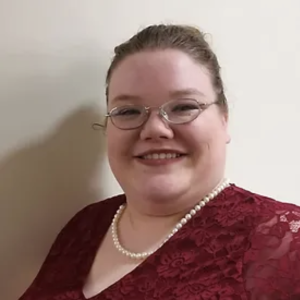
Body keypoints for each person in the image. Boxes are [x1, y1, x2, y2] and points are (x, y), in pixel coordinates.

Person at [19, 24, 300, 300]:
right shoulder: (85, 227)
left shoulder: (284, 241)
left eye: (183, 107)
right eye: (128, 111)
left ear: (224, 119)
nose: (155, 129)